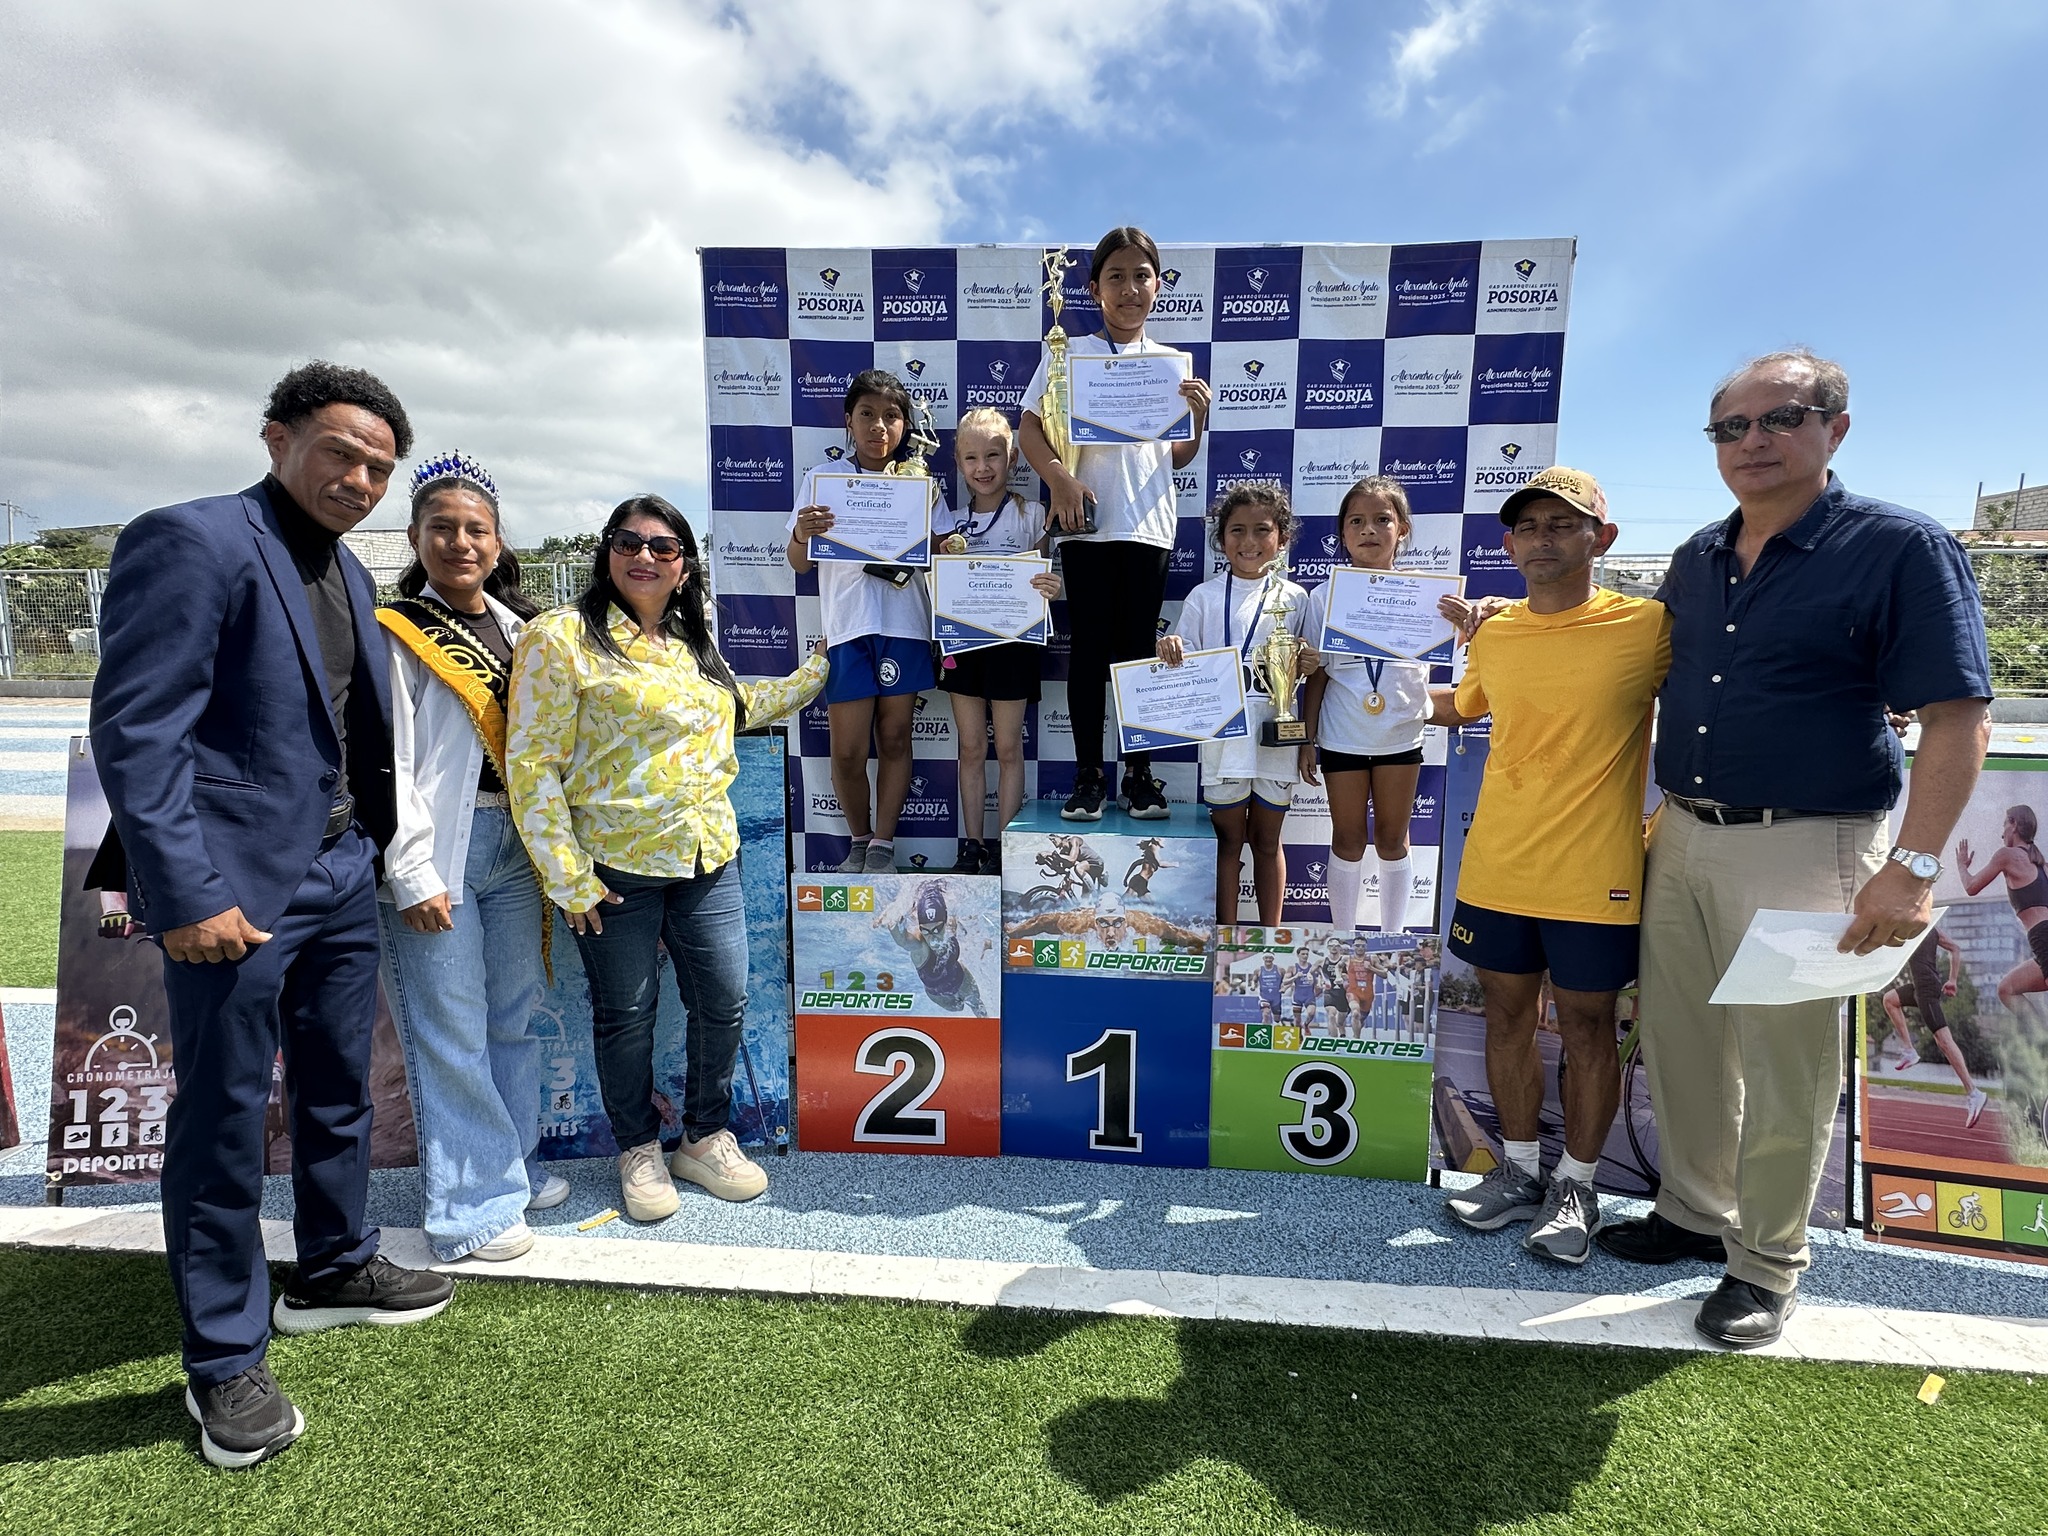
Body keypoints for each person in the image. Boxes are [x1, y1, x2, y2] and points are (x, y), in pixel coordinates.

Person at [90, 362, 453, 1470]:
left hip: (339, 871)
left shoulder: (348, 565)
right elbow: (139, 733)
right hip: (237, 889)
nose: (360, 480)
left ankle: (333, 1265)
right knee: (222, 1119)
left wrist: (373, 853)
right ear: (276, 438)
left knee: (340, 1085)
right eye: (342, 453)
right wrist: (188, 894)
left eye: (379, 468)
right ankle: (223, 1359)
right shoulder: (193, 540)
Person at [1596, 349, 1992, 1349]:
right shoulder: (1696, 554)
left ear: (1834, 428)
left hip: (1810, 844)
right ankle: (1694, 1212)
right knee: (1683, 1045)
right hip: (1682, 832)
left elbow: (1957, 717)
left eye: (1780, 418)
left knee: (1787, 1068)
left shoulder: (1898, 546)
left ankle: (1766, 1264)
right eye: (1731, 427)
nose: (1753, 441)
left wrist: (1912, 868)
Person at [510, 496, 828, 1222]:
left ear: (685, 565)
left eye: (664, 546)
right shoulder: (560, 637)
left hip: (707, 858)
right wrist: (567, 876)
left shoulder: (691, 643)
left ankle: (704, 1136)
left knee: (724, 1000)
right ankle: (637, 1148)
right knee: (626, 1014)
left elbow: (736, 708)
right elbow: (531, 762)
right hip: (611, 870)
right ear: (607, 553)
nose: (645, 557)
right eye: (629, 542)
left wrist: (817, 672)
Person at [1429, 467, 1671, 1267]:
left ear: (1602, 539)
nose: (1543, 539)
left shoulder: (1650, 625)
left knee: (1587, 1027)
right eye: (1529, 526)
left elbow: (1720, 701)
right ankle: (1521, 1170)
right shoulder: (1497, 632)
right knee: (1504, 1018)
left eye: (1562, 524)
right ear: (1508, 544)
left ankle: (1578, 1186)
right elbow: (1461, 706)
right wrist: (1360, 690)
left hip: (1596, 873)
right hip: (1498, 863)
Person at [374, 451, 568, 1265]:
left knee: (512, 1019)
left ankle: (511, 1165)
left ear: (498, 541)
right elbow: (385, 761)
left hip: (517, 849)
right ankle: (468, 1210)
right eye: (442, 528)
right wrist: (410, 870)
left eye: (476, 529)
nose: (460, 543)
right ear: (415, 538)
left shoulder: (527, 630)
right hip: (441, 850)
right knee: (449, 1032)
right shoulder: (396, 633)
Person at [1021, 225, 1212, 821]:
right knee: (1088, 654)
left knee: (1136, 655)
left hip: (1149, 527)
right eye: (1116, 277)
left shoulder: (1169, 366)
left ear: (1158, 285)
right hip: (1086, 525)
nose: (1130, 289)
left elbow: (1175, 456)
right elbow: (1029, 427)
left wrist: (1197, 421)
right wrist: (1059, 479)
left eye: (1141, 276)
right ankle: (1088, 777)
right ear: (1094, 288)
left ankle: (1139, 776)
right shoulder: (1067, 354)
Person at [786, 370, 941, 873]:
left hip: (905, 626)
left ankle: (882, 848)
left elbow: (941, 557)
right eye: (868, 414)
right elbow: (799, 563)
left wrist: (934, 545)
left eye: (892, 416)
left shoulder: (921, 483)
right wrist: (802, 535)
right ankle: (858, 839)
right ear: (848, 421)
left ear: (905, 425)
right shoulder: (822, 480)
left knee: (895, 740)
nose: (879, 426)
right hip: (848, 629)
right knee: (848, 752)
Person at [1298, 477, 1466, 934]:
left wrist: (1464, 625)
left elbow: (1447, 652)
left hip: (1400, 734)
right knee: (1348, 839)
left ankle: (1393, 938)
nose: (1368, 530)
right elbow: (1318, 673)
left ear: (1402, 529)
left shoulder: (1430, 596)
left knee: (1393, 839)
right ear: (1342, 533)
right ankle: (1343, 938)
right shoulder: (1323, 595)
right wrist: (1308, 739)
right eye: (1356, 521)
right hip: (1342, 735)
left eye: (1381, 520)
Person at [1155, 484, 1318, 923]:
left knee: (1267, 842)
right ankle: (1224, 938)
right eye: (1237, 530)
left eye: (1262, 530)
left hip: (1275, 737)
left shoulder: (1296, 599)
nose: (1249, 541)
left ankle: (1271, 939)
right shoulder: (1203, 597)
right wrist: (1170, 647)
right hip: (1222, 737)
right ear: (1221, 538)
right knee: (1227, 843)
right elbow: (1181, 660)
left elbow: (1310, 669)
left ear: (1282, 538)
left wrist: (1307, 661)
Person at [937, 407, 1061, 874]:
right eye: (971, 458)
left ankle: (1006, 849)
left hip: (1014, 645)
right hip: (963, 646)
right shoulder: (949, 523)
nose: (982, 467)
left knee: (1008, 748)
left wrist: (1051, 587)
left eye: (993, 456)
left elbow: (1047, 580)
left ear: (1012, 459)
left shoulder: (1033, 516)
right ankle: (972, 845)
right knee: (970, 748)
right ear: (958, 462)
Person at [1877, 927, 1986, 1126]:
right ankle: (1909, 1050)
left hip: (1926, 988)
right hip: (1920, 987)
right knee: (1890, 1000)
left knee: (1944, 1041)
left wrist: (1954, 979)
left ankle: (1973, 1092)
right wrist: (1952, 980)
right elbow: (1955, 948)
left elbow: (1955, 948)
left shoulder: (1920, 926)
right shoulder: (1930, 927)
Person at [1956, 807, 2048, 1013]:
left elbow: (1971, 887)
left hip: (2043, 937)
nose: (2002, 833)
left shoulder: (2006, 855)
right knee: (2006, 989)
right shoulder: (2043, 866)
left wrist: (1961, 865)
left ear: (2014, 825)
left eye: (2004, 824)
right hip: (2042, 939)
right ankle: (2040, 1031)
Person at [875, 878, 988, 1014]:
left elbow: (972, 925)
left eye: (936, 929)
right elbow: (903, 940)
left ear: (944, 923)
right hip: (936, 994)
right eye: (925, 930)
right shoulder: (920, 945)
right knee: (957, 1008)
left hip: (960, 979)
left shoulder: (951, 925)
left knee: (977, 1006)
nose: (932, 936)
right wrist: (893, 917)